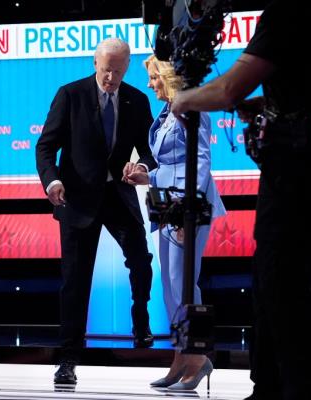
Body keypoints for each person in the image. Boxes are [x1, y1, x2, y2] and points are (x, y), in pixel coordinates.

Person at [171, 1, 311, 399]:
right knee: (272, 278)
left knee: (282, 281)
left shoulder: (292, 10)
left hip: (304, 163)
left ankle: (302, 391)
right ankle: (269, 387)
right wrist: (273, 106)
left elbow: (228, 90)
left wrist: (183, 99)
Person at [35, 38, 158, 385]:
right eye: (106, 71)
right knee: (75, 281)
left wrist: (142, 169)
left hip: (118, 196)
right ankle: (68, 357)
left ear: (127, 68)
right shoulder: (70, 95)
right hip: (76, 199)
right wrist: (52, 182)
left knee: (140, 258)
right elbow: (46, 147)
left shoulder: (137, 100)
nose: (111, 79)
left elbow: (149, 151)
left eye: (118, 72)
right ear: (95, 64)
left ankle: (141, 322)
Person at [124, 54, 226, 391]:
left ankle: (196, 357)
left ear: (167, 76)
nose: (150, 84)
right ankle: (181, 356)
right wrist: (147, 174)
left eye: (154, 77)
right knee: (169, 286)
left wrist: (188, 208)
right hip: (167, 207)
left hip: (187, 208)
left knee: (183, 284)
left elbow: (199, 162)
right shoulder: (169, 112)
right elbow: (173, 163)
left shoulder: (191, 109)